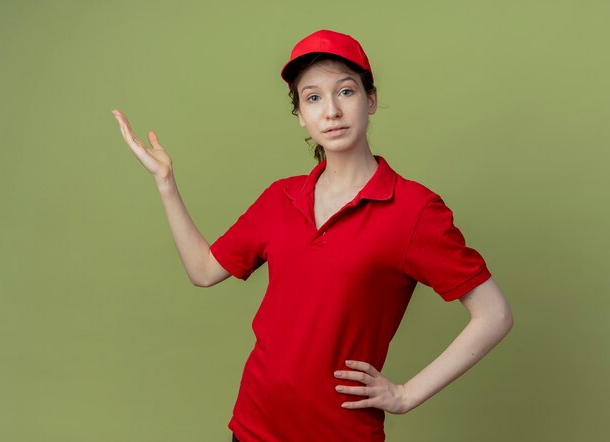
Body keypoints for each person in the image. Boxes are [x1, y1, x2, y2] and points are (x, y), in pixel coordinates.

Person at [112, 29, 513, 442]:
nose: (332, 111)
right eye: (314, 97)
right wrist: (165, 183)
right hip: (253, 427)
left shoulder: (414, 210)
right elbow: (202, 269)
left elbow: (494, 314)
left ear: (370, 99)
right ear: (301, 115)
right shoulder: (279, 198)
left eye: (346, 91)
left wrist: (407, 394)